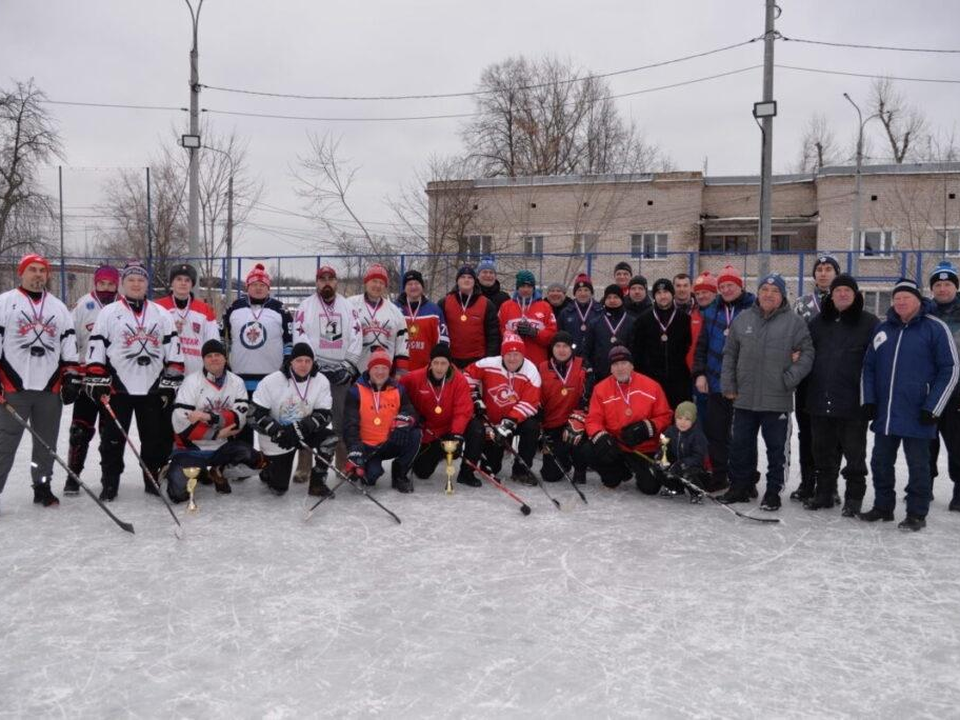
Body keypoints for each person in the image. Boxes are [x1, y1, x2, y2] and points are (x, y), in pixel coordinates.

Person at [861, 278, 959, 531]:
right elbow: (869, 367)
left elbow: (950, 369)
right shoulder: (883, 329)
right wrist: (869, 400)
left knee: (919, 466)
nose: (901, 301)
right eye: (897, 297)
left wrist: (933, 406)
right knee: (880, 462)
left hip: (919, 413)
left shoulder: (935, 328)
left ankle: (916, 513)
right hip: (887, 412)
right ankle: (883, 506)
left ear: (918, 300)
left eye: (907, 297)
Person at [84, 260, 185, 501]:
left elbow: (175, 353)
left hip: (151, 389)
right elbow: (96, 349)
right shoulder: (109, 313)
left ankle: (152, 479)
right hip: (118, 388)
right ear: (123, 284)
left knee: (154, 440)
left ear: (147, 284)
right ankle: (110, 482)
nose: (136, 284)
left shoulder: (162, 314)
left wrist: (169, 385)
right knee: (112, 440)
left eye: (141, 280)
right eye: (131, 280)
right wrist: (98, 380)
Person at [719, 274, 814, 510]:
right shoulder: (743, 319)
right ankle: (740, 486)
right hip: (745, 398)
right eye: (764, 290)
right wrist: (729, 385)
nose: (768, 294)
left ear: (782, 296)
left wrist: (789, 379)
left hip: (777, 399)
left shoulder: (794, 322)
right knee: (740, 446)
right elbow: (730, 354)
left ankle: (773, 492)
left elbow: (807, 354)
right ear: (758, 293)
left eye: (774, 291)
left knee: (776, 450)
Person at [0, 253, 80, 508]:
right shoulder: (5, 302)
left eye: (42, 271)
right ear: (21, 273)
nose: (37, 275)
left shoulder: (58, 307)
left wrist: (70, 377)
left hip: (49, 388)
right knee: (4, 444)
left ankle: (42, 486)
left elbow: (68, 345)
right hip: (13, 388)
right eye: (32, 270)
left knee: (45, 445)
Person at [804, 274, 878, 515]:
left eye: (848, 290)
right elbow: (805, 354)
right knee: (822, 453)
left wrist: (872, 398)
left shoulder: (869, 323)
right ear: (832, 294)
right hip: (820, 399)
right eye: (838, 291)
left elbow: (878, 363)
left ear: (856, 295)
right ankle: (824, 493)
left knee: (854, 456)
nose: (843, 294)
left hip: (852, 403)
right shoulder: (817, 323)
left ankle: (854, 499)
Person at [168, 339, 265, 502]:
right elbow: (181, 422)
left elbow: (239, 419)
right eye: (209, 356)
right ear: (203, 360)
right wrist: (217, 433)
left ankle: (218, 471)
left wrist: (207, 417)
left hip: (222, 448)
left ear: (225, 358)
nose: (214, 359)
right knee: (178, 495)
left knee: (257, 461)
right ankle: (194, 471)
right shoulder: (191, 382)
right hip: (191, 449)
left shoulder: (236, 382)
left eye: (218, 355)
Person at [293, 265, 363, 478]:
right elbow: (300, 335)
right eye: (322, 279)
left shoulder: (348, 306)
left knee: (340, 418)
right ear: (316, 282)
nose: (326, 282)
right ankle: (304, 466)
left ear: (336, 282)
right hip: (314, 372)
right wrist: (312, 365)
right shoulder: (305, 306)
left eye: (330, 279)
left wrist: (349, 366)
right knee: (308, 415)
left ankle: (342, 464)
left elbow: (356, 335)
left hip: (340, 371)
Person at [691, 265, 755, 491]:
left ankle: (746, 479)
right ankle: (720, 475)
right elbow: (701, 347)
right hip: (716, 382)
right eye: (723, 286)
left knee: (743, 435)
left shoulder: (754, 310)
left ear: (741, 286)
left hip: (744, 384)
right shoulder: (711, 312)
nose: (727, 289)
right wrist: (699, 373)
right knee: (716, 432)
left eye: (731, 285)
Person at [250, 343, 337, 498]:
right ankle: (267, 468)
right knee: (279, 488)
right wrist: (276, 431)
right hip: (279, 438)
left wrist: (303, 427)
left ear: (313, 362)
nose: (303, 365)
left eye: (307, 361)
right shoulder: (271, 381)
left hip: (303, 431)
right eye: (299, 360)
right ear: (291, 361)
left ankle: (317, 483)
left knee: (329, 439)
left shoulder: (321, 380)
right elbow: (254, 414)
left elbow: (325, 413)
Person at [222, 263, 294, 445]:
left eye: (263, 285)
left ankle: (272, 466)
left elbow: (290, 340)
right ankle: (243, 464)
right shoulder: (234, 308)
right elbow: (222, 337)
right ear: (247, 287)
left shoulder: (280, 309)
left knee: (270, 426)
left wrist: (287, 361)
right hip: (239, 379)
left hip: (271, 379)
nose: (258, 288)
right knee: (241, 425)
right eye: (254, 284)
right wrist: (223, 360)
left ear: (268, 288)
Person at [585, 345, 673, 493]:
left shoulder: (652, 386)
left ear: (632, 365)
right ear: (611, 368)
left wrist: (648, 427)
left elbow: (666, 416)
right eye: (616, 364)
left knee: (650, 488)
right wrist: (601, 436)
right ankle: (616, 474)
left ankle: (640, 472)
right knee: (587, 449)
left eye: (624, 363)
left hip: (643, 448)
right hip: (616, 445)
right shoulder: (600, 389)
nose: (620, 368)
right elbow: (593, 419)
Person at [790, 253, 840, 502]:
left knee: (833, 434)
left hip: (837, 380)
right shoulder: (802, 303)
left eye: (828, 268)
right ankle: (808, 482)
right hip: (808, 379)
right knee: (806, 432)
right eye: (819, 269)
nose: (823, 273)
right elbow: (793, 337)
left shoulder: (846, 299)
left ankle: (830, 485)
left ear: (836, 273)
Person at [65, 264, 118, 494]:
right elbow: (69, 343)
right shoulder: (82, 305)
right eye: (102, 283)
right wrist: (71, 374)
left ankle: (109, 478)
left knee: (110, 433)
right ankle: (73, 476)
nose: (106, 288)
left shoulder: (122, 306)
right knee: (79, 431)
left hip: (112, 379)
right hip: (87, 379)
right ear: (95, 283)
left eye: (111, 284)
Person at [463, 332, 542, 485]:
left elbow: (530, 403)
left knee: (532, 427)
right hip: (491, 423)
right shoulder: (488, 363)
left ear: (523, 355)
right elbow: (466, 376)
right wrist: (474, 397)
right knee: (491, 467)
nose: (512, 358)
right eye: (508, 354)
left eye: (516, 354)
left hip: (515, 421)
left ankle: (521, 471)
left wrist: (508, 423)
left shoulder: (531, 371)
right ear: (502, 354)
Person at [342, 347, 421, 493]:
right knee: (371, 477)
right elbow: (350, 423)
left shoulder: (398, 389)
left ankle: (399, 474)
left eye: (384, 368)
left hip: (390, 441)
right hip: (367, 447)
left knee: (415, 434)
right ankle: (364, 469)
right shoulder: (355, 390)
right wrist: (355, 448)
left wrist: (404, 420)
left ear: (389, 370)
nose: (380, 372)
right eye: (376, 367)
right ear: (369, 369)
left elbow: (410, 411)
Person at [399, 343, 474, 484]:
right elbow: (397, 393)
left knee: (474, 427)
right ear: (430, 363)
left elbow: (463, 410)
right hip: (427, 432)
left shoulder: (459, 380)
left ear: (449, 364)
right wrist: (411, 413)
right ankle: (439, 451)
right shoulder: (414, 378)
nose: (439, 368)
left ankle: (466, 470)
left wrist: (456, 435)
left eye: (443, 363)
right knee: (422, 472)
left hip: (448, 430)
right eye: (436, 363)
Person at [538, 331, 593, 485]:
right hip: (552, 424)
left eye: (566, 346)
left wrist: (579, 417)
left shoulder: (583, 366)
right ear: (552, 348)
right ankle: (564, 462)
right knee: (550, 476)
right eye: (558, 346)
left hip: (574, 422)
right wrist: (539, 419)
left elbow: (588, 395)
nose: (562, 350)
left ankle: (580, 468)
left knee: (579, 438)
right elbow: (536, 397)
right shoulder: (542, 368)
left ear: (571, 348)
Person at [927, 260, 960, 512]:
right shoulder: (925, 312)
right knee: (926, 440)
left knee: (957, 441)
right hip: (929, 386)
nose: (942, 289)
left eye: (947, 284)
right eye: (938, 284)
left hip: (957, 389)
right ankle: (923, 485)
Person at [631, 278, 692, 408]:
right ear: (654, 296)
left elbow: (689, 347)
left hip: (679, 381)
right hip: (651, 379)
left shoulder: (685, 319)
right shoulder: (643, 320)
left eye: (666, 292)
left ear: (672, 294)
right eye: (658, 293)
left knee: (678, 419)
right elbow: (637, 351)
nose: (662, 296)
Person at [155, 263, 219, 376]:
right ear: (172, 282)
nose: (183, 283)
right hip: (165, 373)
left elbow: (213, 344)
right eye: (178, 279)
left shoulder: (205, 310)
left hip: (197, 374)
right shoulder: (158, 307)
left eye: (187, 280)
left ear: (192, 284)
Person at [350, 263, 410, 376]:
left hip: (385, 371)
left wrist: (401, 371)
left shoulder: (395, 311)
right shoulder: (350, 305)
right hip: (354, 370)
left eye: (381, 282)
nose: (377, 285)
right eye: (374, 281)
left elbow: (402, 341)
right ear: (366, 282)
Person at [442, 265, 500, 369]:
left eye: (470, 277)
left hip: (478, 360)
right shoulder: (445, 302)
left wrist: (489, 360)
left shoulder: (486, 303)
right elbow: (439, 332)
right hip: (451, 360)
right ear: (457, 280)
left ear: (475, 281)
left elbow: (493, 336)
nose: (466, 280)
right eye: (463, 277)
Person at [498, 270, 557, 366]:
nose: (526, 290)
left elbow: (552, 334)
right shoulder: (506, 306)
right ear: (517, 288)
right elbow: (499, 330)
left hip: (537, 361)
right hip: (512, 361)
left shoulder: (545, 307)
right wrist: (513, 335)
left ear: (533, 288)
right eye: (522, 286)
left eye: (529, 286)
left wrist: (535, 333)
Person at [395, 269, 448, 372]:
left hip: (426, 371)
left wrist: (436, 366)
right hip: (399, 371)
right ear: (404, 288)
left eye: (417, 283)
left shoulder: (434, 310)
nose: (413, 287)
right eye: (409, 284)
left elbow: (443, 341)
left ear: (422, 287)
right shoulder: (394, 309)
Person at [657, 400, 712, 495]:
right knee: (658, 467)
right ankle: (675, 488)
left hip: (696, 469)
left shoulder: (697, 435)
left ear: (693, 420)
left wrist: (682, 464)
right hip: (677, 465)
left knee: (686, 472)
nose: (682, 422)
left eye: (687, 419)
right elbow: (664, 447)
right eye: (679, 418)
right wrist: (661, 457)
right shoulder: (670, 431)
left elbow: (698, 458)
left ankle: (697, 492)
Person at [582, 284, 635, 381]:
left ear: (622, 299)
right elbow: (587, 349)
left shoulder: (631, 322)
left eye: (615, 297)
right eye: (609, 297)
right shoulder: (595, 323)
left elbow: (635, 349)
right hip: (600, 374)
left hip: (625, 374)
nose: (612, 300)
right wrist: (590, 367)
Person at [690, 271, 717, 422]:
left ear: (714, 292)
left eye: (705, 292)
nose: (701, 296)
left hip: (716, 377)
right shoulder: (694, 314)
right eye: (698, 293)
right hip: (696, 376)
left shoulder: (721, 314)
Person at [557, 273, 601, 352]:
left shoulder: (600, 311)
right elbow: (560, 337)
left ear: (591, 292)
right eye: (579, 290)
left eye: (586, 290)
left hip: (595, 356)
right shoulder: (565, 312)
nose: (583, 293)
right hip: (572, 355)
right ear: (575, 293)